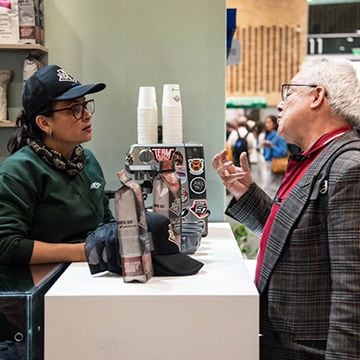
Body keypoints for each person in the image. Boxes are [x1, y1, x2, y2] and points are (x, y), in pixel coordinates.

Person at [212, 57, 360, 359]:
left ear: (317, 96)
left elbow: (352, 290)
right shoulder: (315, 158)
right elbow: (293, 238)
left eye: (289, 93)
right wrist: (248, 194)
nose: (280, 105)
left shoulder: (347, 167)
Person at [0, 65, 113, 265]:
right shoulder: (18, 171)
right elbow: (6, 245)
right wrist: (83, 251)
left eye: (85, 105)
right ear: (44, 123)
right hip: (41, 284)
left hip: (88, 275)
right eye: (74, 109)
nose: (87, 115)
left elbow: (105, 221)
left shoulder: (88, 160)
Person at [261, 115, 288, 197]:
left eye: (269, 122)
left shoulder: (278, 135)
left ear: (274, 123)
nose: (267, 124)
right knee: (268, 186)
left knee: (270, 187)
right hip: (268, 163)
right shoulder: (268, 135)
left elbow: (283, 151)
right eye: (266, 122)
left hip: (276, 163)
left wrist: (271, 146)